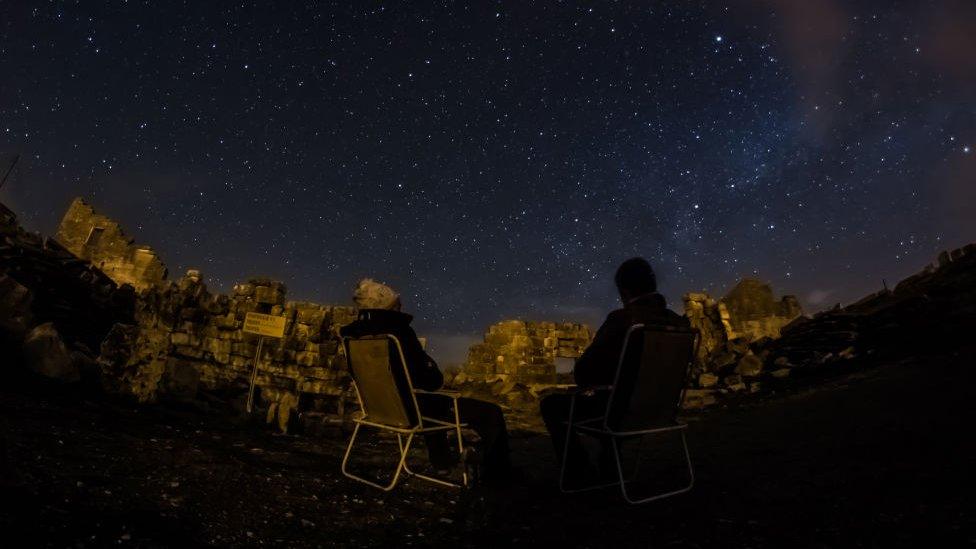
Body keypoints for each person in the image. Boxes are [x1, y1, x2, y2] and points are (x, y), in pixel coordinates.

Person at [339, 279, 514, 482]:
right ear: (387, 305)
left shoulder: (352, 335)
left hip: (379, 407)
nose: (401, 306)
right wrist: (434, 373)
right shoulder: (399, 332)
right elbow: (431, 381)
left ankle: (442, 463)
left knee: (428, 399)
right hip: (411, 411)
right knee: (490, 413)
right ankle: (498, 477)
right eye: (397, 303)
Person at [540, 258, 690, 480]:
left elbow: (584, 373)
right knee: (619, 394)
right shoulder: (680, 323)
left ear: (624, 290)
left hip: (621, 414)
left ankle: (579, 472)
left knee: (551, 405)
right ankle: (609, 461)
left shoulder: (622, 319)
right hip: (662, 411)